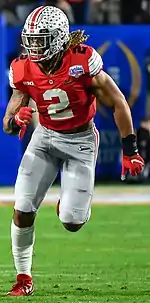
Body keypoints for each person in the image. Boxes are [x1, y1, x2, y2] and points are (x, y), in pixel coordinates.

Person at [3, 5, 144, 296]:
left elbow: (118, 102)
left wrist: (129, 149)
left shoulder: (82, 62)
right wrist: (16, 121)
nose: (33, 46)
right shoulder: (23, 68)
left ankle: (68, 204)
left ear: (57, 39)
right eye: (30, 39)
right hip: (44, 138)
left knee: (72, 221)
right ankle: (23, 277)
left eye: (40, 39)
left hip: (80, 142)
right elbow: (7, 123)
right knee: (23, 207)